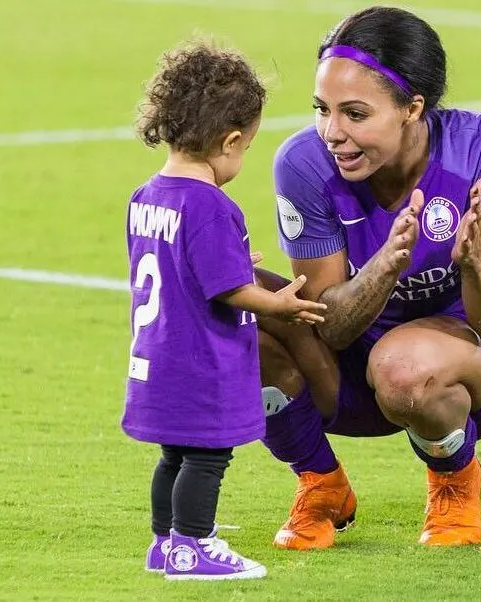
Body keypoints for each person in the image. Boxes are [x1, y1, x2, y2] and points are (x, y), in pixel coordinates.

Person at [255, 6, 481, 549]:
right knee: (233, 313)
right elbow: (330, 327)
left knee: (404, 364)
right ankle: (321, 483)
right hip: (351, 354)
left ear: (413, 107)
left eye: (355, 114)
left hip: (462, 362)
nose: (332, 133)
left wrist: (475, 263)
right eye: (322, 109)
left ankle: (454, 482)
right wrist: (383, 267)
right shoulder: (303, 164)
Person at [121, 41, 328, 580]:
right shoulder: (211, 205)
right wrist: (278, 302)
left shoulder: (147, 197)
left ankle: (163, 543)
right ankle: (194, 546)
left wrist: (229, 262)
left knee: (173, 456)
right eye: (247, 147)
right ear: (230, 140)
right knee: (208, 457)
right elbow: (229, 291)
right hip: (198, 363)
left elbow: (177, 266)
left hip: (156, 358)